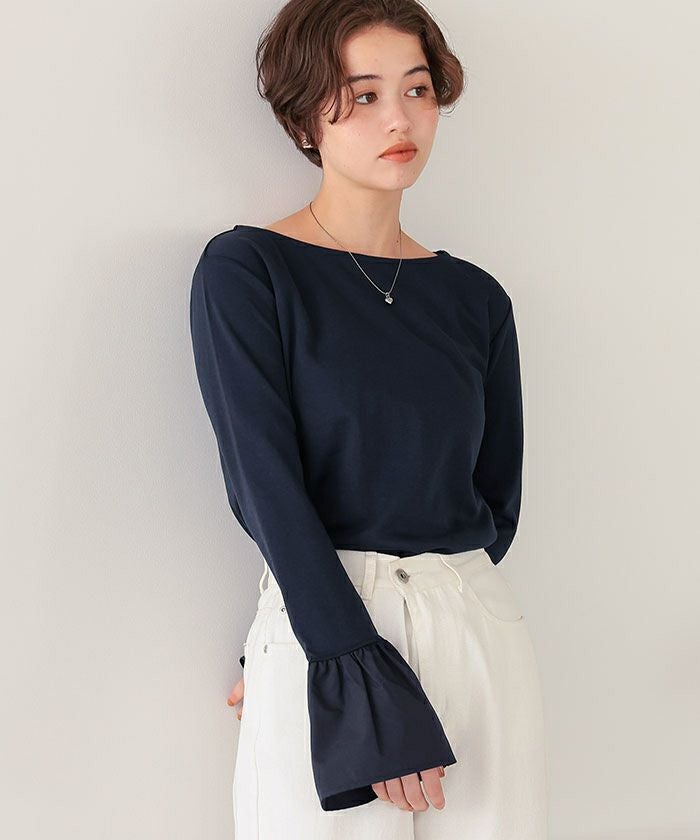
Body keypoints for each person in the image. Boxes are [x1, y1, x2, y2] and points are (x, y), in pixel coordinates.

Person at [189, 0, 548, 837]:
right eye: (363, 96)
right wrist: (334, 652)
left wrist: (428, 615)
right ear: (303, 119)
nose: (400, 119)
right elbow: (263, 484)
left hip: (473, 627)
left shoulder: (476, 299)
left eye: (417, 90)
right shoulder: (248, 272)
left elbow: (496, 500)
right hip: (329, 630)